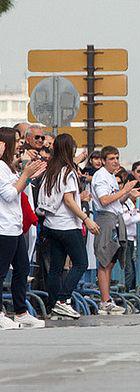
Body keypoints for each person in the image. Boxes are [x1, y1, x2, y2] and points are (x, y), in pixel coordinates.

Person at [37, 134, 100, 319]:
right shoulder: (68, 172)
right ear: (69, 149)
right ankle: (63, 301)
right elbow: (69, 200)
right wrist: (86, 219)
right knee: (81, 263)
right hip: (66, 225)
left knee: (56, 268)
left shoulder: (52, 170)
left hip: (51, 224)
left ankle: (52, 307)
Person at [0, 127, 47, 329]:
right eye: (16, 141)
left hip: (15, 226)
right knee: (1, 272)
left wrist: (29, 176)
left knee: (22, 268)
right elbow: (9, 194)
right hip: (3, 227)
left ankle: (20, 312)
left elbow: (18, 187)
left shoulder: (9, 167)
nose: (20, 145)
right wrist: (26, 174)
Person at [92, 145, 139, 315]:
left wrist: (128, 193)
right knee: (104, 260)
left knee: (111, 260)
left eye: (117, 158)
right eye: (111, 159)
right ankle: (104, 301)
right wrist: (124, 190)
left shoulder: (111, 177)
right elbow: (104, 200)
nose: (115, 162)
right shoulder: (101, 177)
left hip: (115, 217)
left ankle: (107, 299)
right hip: (105, 218)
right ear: (103, 161)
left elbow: (115, 200)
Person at [117, 173, 140, 291]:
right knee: (128, 272)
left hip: (131, 240)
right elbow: (124, 220)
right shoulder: (123, 203)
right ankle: (124, 297)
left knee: (132, 271)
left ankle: (129, 295)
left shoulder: (134, 205)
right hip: (124, 239)